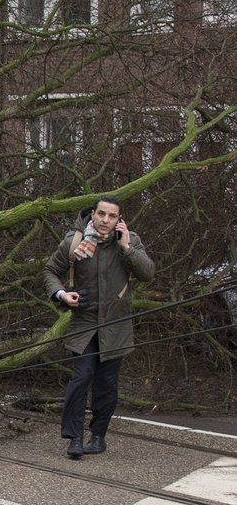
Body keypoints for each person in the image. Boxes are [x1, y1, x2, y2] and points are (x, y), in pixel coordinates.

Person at [43, 196, 155, 459]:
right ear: (92, 214)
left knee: (106, 384)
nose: (105, 221)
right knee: (81, 377)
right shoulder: (75, 241)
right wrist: (61, 294)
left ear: (119, 220)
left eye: (112, 216)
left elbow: (148, 274)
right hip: (84, 322)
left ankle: (98, 436)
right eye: (101, 214)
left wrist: (127, 249)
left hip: (116, 324)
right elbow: (50, 271)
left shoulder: (129, 242)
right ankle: (74, 437)